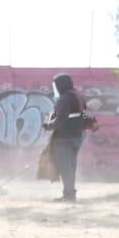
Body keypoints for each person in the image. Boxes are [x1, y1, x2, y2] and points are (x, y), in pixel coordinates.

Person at [46, 73, 93, 202]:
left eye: (56, 85)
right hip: (77, 136)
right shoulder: (78, 96)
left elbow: (60, 120)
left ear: (61, 85)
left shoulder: (64, 99)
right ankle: (70, 193)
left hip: (64, 137)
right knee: (70, 166)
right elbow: (83, 115)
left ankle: (69, 195)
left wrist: (49, 125)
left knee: (65, 167)